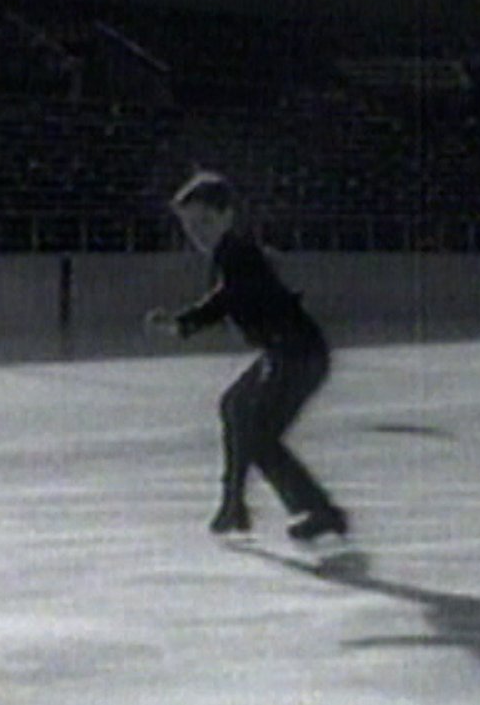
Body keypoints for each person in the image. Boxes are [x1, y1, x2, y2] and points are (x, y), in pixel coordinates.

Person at [145, 172, 349, 542]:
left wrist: (185, 322)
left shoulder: (237, 254)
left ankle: (320, 511)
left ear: (227, 215)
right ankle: (234, 504)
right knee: (236, 407)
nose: (198, 234)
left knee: (260, 437)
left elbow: (228, 298)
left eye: (205, 222)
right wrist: (185, 323)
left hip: (297, 355)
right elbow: (228, 297)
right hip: (288, 351)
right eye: (190, 227)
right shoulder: (233, 253)